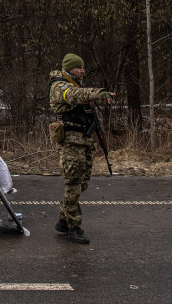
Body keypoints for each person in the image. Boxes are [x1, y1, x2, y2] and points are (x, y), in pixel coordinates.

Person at [48, 53, 115, 244]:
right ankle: (73, 227)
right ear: (70, 69)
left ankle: (63, 219)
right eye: (80, 68)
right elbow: (74, 96)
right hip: (70, 142)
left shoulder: (77, 85)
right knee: (73, 184)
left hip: (83, 140)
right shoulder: (59, 86)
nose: (83, 71)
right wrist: (98, 94)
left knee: (82, 182)